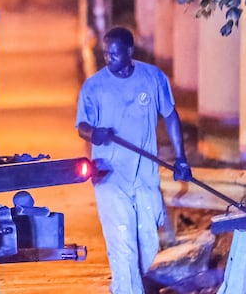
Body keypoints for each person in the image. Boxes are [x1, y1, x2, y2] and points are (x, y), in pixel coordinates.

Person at [76, 26, 192, 294]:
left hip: (145, 177)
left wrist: (181, 158)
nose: (109, 59)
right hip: (109, 177)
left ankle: (131, 287)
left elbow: (171, 116)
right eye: (106, 54)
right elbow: (81, 125)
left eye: (114, 54)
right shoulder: (94, 87)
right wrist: (94, 133)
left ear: (129, 52)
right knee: (123, 243)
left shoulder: (152, 78)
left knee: (148, 244)